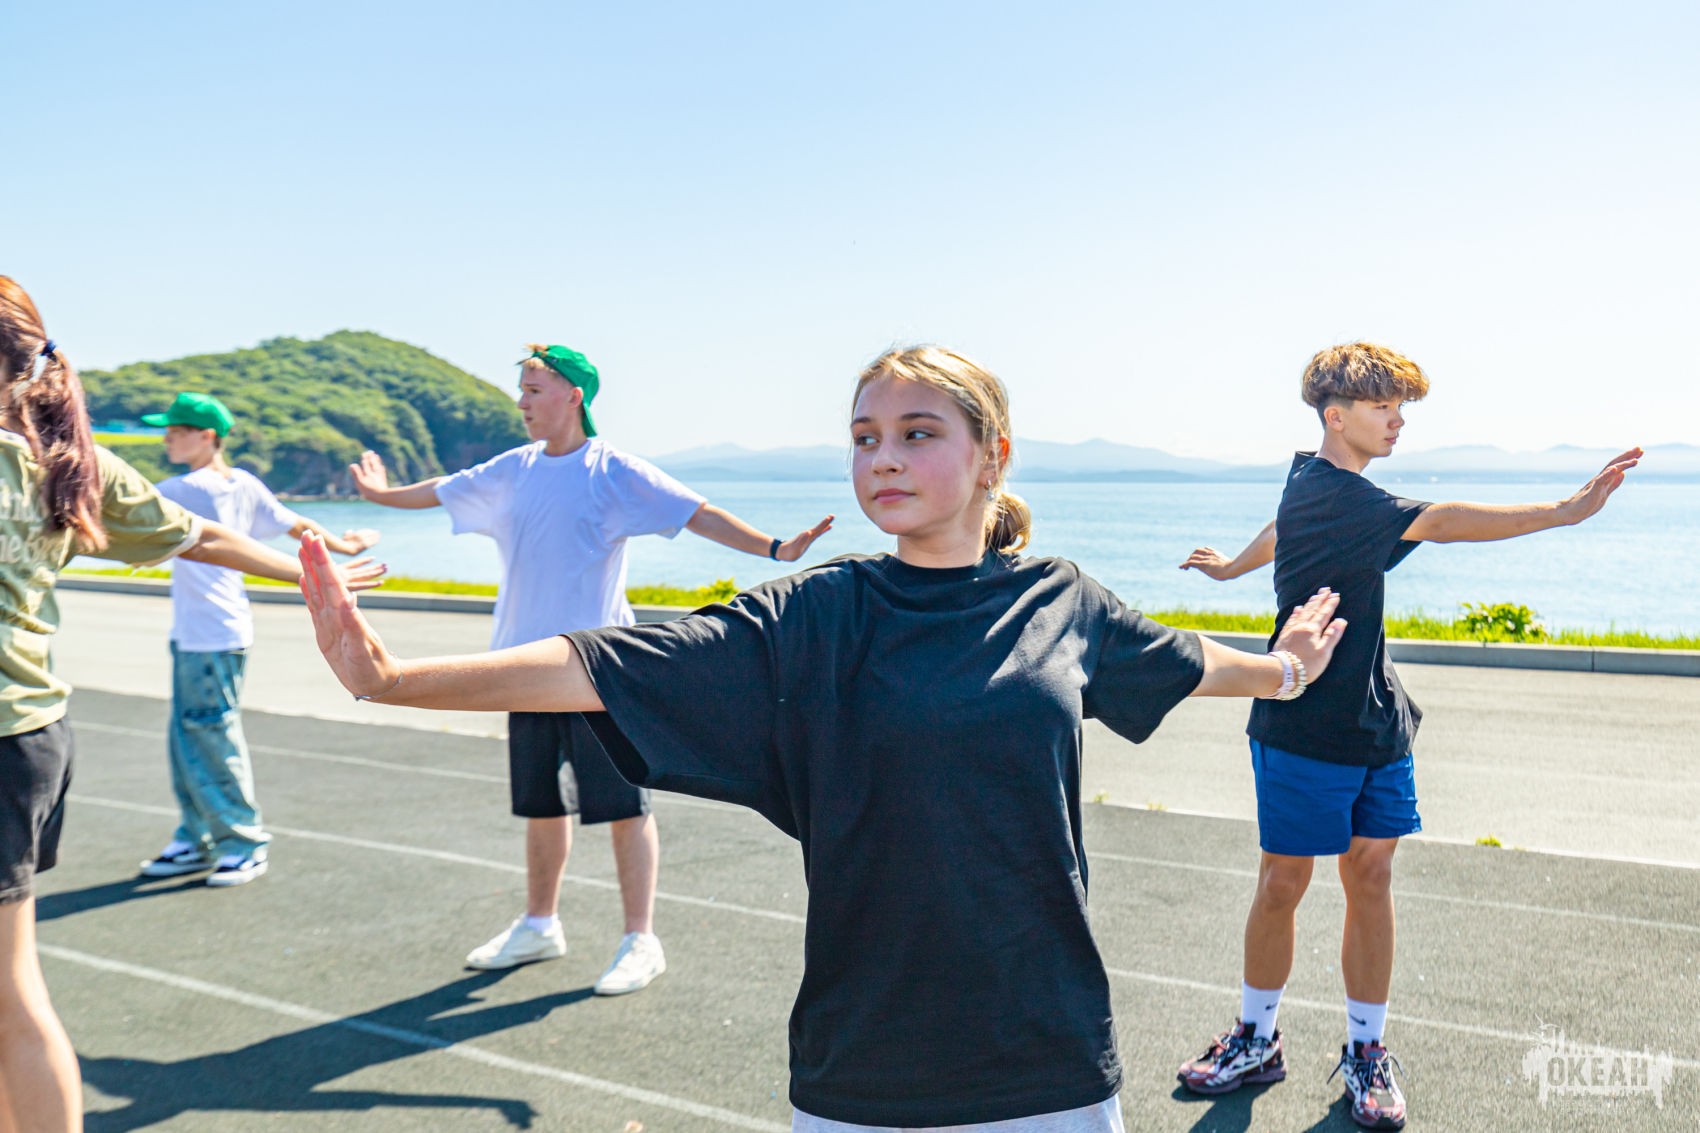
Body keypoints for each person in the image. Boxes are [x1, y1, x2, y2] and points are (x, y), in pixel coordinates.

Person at [301, 344, 1349, 1131]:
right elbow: (599, 660)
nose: (882, 457)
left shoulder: (1059, 600)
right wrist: (389, 679)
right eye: (863, 437)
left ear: (993, 455)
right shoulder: (815, 612)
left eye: (916, 432)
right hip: (862, 1064)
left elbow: (1185, 659)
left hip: (1046, 1052)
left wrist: (1287, 667)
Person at [1175, 342, 1639, 1130]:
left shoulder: (1316, 485)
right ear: (1336, 416)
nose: (1397, 421)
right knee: (1282, 882)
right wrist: (1564, 511)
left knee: (1373, 876)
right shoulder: (1342, 495)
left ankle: (1365, 1050)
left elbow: (1280, 528)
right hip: (1301, 723)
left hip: (1377, 721)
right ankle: (1255, 1038)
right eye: (1382, 406)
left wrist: (1231, 569)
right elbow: (1445, 520)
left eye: (1401, 408)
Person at [0, 277, 383, 1132]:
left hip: (9, 736)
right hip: (29, 734)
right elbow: (198, 536)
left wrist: (313, 569)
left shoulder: (56, 462)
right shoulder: (68, 461)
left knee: (9, 995)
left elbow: (207, 533)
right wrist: (310, 569)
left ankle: (232, 838)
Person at [349, 343, 833, 996]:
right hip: (522, 667)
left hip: (596, 672)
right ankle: (539, 923)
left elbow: (695, 513)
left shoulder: (611, 470)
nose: (522, 402)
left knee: (624, 807)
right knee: (541, 805)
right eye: (522, 390)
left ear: (573, 395)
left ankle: (641, 939)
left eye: (534, 389)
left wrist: (774, 547)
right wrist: (379, 495)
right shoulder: (512, 468)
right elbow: (439, 490)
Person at [134, 392, 380, 887]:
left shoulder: (185, 488)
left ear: (207, 436)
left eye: (176, 431)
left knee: (209, 735)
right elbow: (297, 524)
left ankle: (242, 843)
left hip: (209, 635)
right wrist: (346, 545)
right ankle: (197, 836)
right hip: (211, 632)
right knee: (189, 737)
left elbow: (119, 512)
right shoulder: (242, 483)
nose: (167, 439)